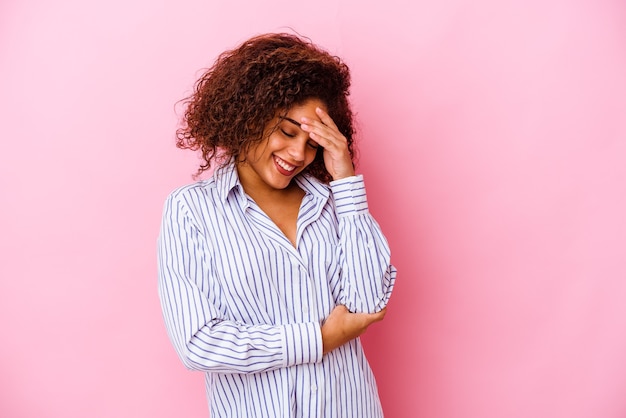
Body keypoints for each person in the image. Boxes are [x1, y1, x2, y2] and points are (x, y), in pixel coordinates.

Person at [157, 32, 397, 417]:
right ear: (249, 114)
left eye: (314, 143)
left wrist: (346, 182)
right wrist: (318, 339)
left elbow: (369, 302)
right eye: (287, 132)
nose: (298, 154)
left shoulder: (334, 204)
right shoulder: (191, 211)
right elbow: (199, 342)